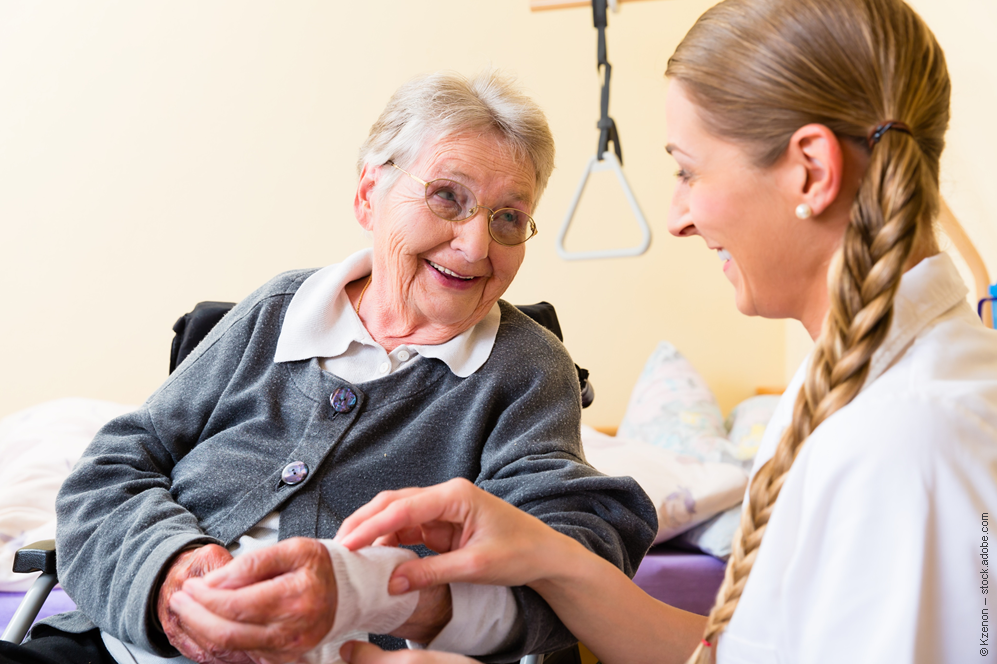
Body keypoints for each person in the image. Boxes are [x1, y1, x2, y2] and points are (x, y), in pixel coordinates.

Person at [331, 1, 997, 662]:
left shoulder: (910, 439)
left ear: (811, 172)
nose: (676, 217)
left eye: (687, 170)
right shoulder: (854, 387)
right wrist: (550, 558)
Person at [0, 71, 657, 664]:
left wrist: (373, 596)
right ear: (370, 194)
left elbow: (575, 554)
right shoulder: (279, 310)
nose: (476, 244)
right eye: (447, 198)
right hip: (124, 647)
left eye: (509, 217)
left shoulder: (524, 368)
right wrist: (172, 575)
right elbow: (111, 472)